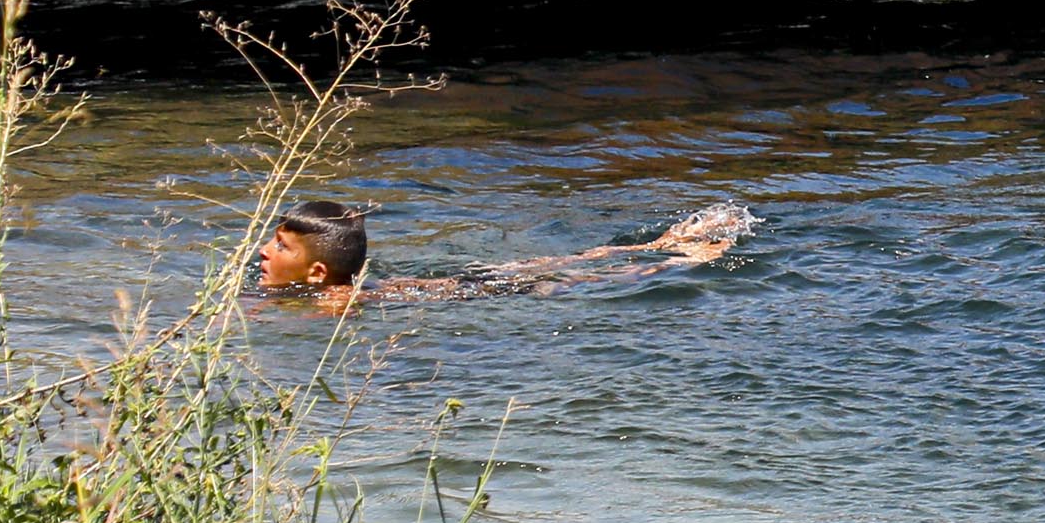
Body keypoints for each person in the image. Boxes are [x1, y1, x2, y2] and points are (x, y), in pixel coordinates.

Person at [257, 198, 755, 308]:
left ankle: (671, 258)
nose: (263, 251)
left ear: (317, 271)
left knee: (573, 278)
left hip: (467, 293)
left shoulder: (330, 302)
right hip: (453, 281)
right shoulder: (326, 288)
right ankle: (659, 244)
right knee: (554, 264)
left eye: (280, 246)